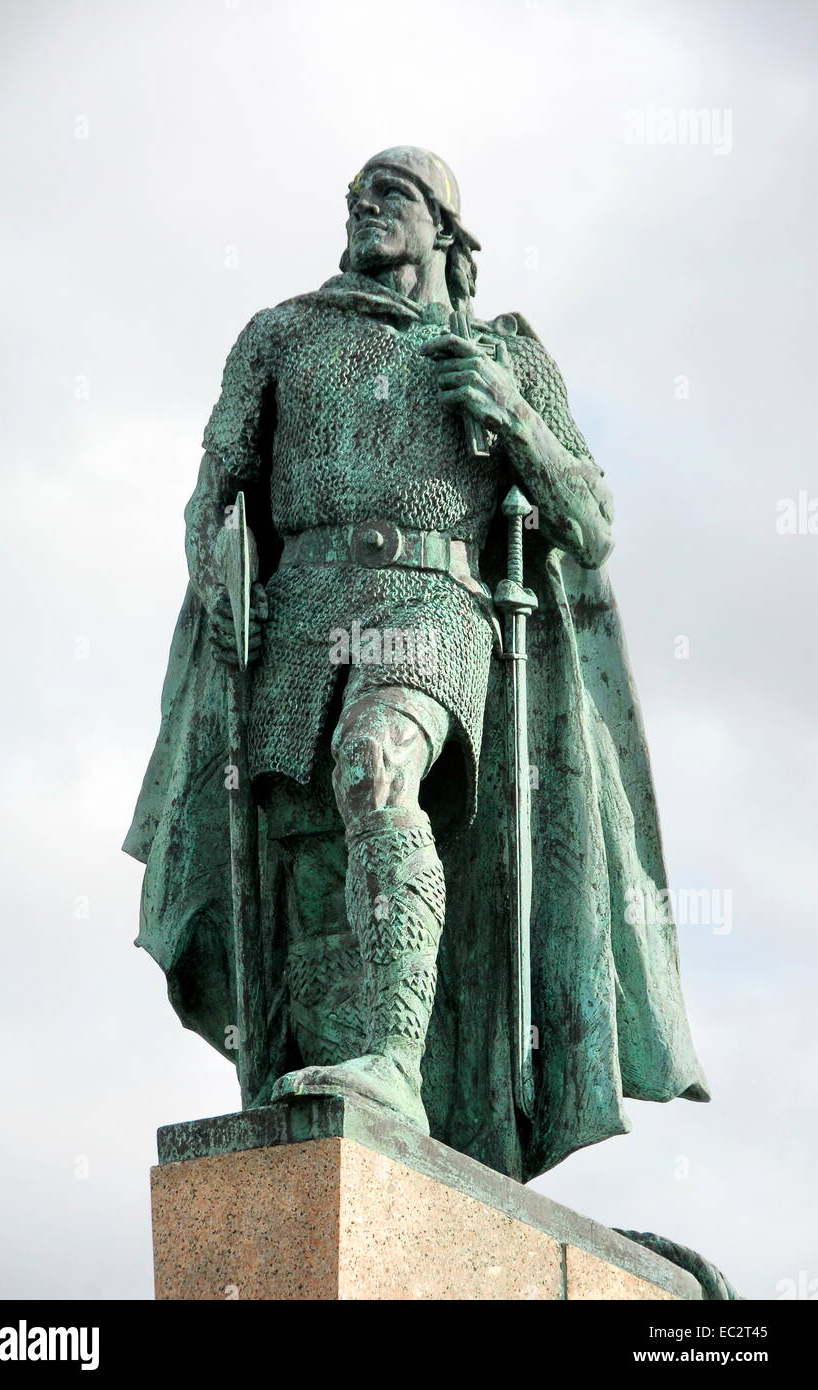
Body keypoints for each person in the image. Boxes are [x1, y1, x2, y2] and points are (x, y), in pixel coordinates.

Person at [124, 147, 709, 1182]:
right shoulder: (281, 334)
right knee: (309, 874)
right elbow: (213, 490)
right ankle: (343, 1098)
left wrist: (513, 417)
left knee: (376, 763)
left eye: (388, 194)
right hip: (299, 614)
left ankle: (392, 1061)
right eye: (354, 197)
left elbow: (593, 520)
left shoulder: (502, 352)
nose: (363, 209)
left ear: (446, 226)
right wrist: (219, 580)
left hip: (431, 602)